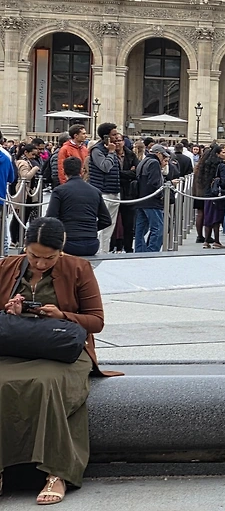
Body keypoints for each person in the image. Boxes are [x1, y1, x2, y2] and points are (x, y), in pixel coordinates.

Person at [1, 216, 119, 504]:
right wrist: (11, 311)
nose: (41, 263)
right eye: (34, 256)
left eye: (49, 258)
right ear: (25, 247)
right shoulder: (6, 267)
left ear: (61, 250)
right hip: (16, 347)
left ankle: (57, 473)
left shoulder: (78, 268)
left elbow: (96, 321)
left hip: (63, 352)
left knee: (47, 384)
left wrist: (62, 315)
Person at [44, 157, 112, 257]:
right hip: (92, 244)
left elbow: (50, 218)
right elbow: (106, 220)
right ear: (81, 170)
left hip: (68, 242)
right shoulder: (95, 191)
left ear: (64, 171)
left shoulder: (59, 191)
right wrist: (91, 229)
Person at [87, 123, 123, 253]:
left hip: (113, 190)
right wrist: (111, 152)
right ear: (106, 136)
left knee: (111, 224)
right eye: (114, 134)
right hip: (103, 191)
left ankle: (105, 250)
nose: (116, 137)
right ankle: (98, 250)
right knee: (102, 223)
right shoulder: (97, 150)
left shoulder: (111, 149)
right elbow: (105, 167)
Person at [133, 143, 169, 254]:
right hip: (152, 200)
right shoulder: (154, 163)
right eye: (163, 155)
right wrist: (160, 195)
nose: (164, 158)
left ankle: (139, 251)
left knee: (140, 229)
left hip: (141, 199)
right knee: (158, 228)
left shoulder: (143, 161)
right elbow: (155, 183)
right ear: (158, 154)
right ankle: (152, 252)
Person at [197, 144, 225, 249]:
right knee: (216, 218)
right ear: (217, 154)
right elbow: (224, 181)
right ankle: (216, 241)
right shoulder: (221, 165)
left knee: (208, 216)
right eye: (223, 152)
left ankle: (206, 241)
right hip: (217, 193)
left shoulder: (205, 165)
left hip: (207, 193)